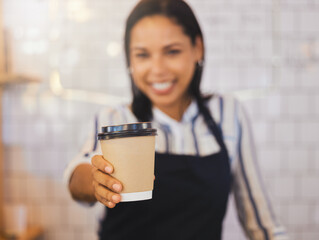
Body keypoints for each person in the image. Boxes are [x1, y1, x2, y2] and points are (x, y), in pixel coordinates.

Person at [64, 0, 288, 239]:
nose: (158, 69)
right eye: (143, 55)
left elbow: (261, 224)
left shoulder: (228, 114)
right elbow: (78, 175)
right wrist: (96, 181)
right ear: (130, 60)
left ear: (197, 48)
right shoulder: (116, 118)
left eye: (172, 51)